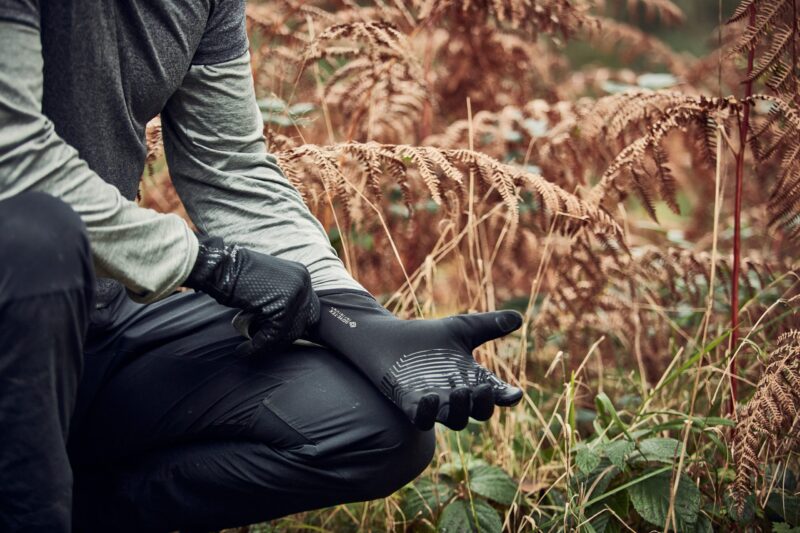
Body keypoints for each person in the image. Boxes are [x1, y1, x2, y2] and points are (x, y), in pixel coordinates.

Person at [0, 1, 525, 531]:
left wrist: (357, 318)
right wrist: (213, 266)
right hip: (14, 308)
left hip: (97, 326)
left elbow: (229, 168)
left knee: (373, 428)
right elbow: (13, 156)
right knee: (38, 242)